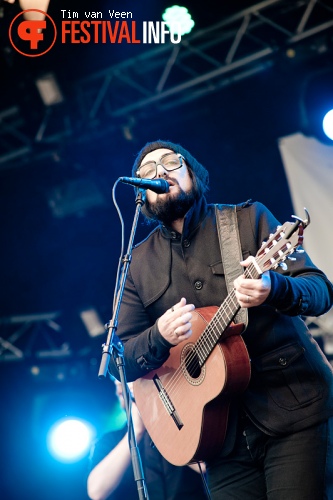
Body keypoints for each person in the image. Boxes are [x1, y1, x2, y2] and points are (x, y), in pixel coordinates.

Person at [87, 379, 207, 500]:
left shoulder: (183, 427)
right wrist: (136, 432)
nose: (119, 387)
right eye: (117, 383)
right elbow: (96, 492)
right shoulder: (109, 440)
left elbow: (204, 466)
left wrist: (159, 424)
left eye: (127, 382)